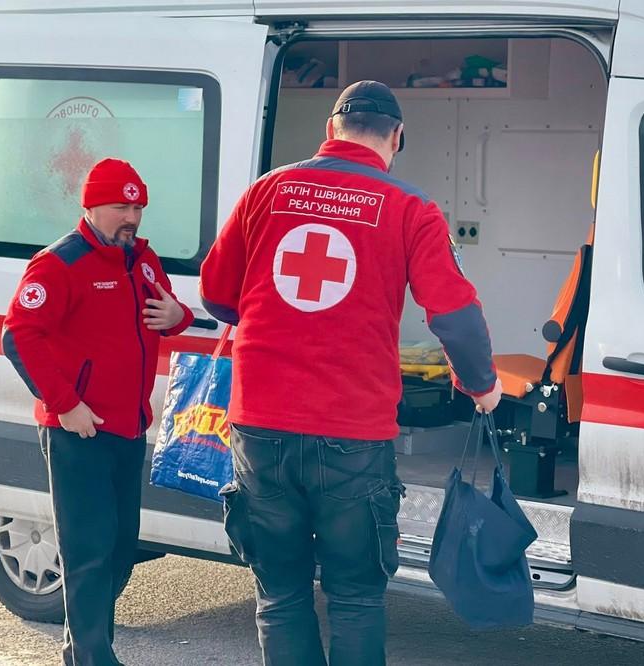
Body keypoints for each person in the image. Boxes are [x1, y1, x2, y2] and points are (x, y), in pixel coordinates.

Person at [200, 80, 503, 666]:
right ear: (397, 137)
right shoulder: (411, 207)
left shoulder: (267, 190)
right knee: (356, 598)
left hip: (261, 427)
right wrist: (481, 386)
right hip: (352, 434)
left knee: (280, 596)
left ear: (330, 129)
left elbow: (217, 294)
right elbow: (456, 318)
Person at [2, 158, 194, 666]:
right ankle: (92, 656)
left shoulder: (143, 259)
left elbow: (168, 312)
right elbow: (18, 335)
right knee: (88, 553)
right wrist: (66, 405)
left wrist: (179, 316)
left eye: (137, 208)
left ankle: (83, 650)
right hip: (79, 430)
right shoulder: (59, 264)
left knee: (120, 549)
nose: (130, 217)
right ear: (90, 207)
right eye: (119, 207)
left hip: (129, 426)